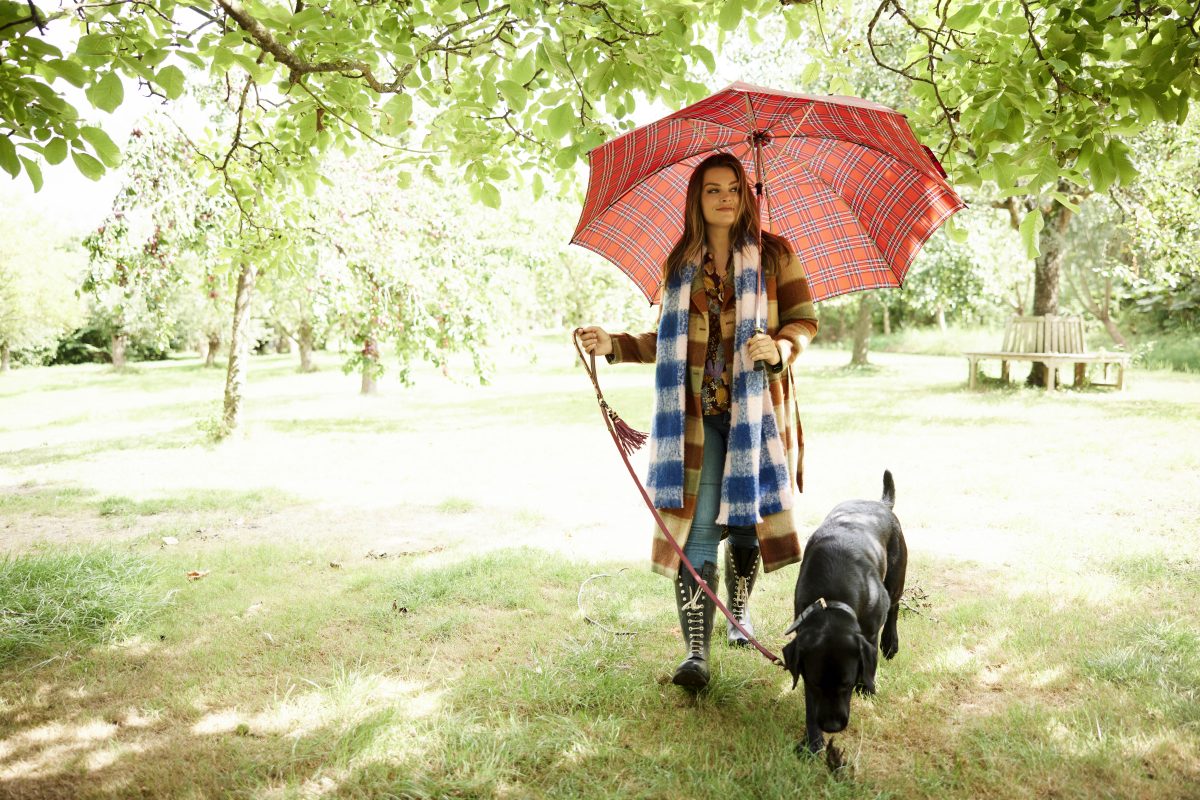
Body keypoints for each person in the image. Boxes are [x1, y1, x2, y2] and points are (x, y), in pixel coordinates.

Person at [580, 152, 818, 690]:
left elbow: (805, 320)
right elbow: (663, 342)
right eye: (713, 190)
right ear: (698, 198)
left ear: (745, 194)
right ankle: (696, 654)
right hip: (695, 420)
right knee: (700, 527)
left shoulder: (776, 255)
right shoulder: (679, 264)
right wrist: (612, 345)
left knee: (748, 523)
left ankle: (739, 613)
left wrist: (778, 347)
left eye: (734, 188)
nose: (725, 198)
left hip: (755, 414)